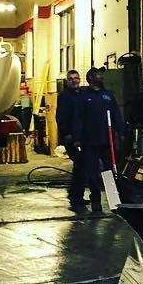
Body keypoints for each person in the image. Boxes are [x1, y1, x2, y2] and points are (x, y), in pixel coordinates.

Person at [71, 67, 123, 213]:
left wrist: (121, 132)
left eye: (101, 74)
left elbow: (116, 115)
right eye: (97, 74)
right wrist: (77, 138)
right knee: (92, 172)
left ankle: (114, 200)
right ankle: (95, 200)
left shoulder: (107, 95)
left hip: (107, 141)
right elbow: (78, 118)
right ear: (90, 78)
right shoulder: (83, 96)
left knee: (108, 171)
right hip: (89, 141)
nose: (101, 77)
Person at [56, 69, 84, 209]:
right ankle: (75, 195)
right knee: (80, 165)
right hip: (71, 137)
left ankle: (76, 194)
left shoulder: (83, 94)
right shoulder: (64, 97)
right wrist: (66, 134)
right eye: (71, 78)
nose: (74, 80)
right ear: (67, 81)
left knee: (81, 166)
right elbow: (60, 117)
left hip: (82, 137)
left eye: (76, 78)